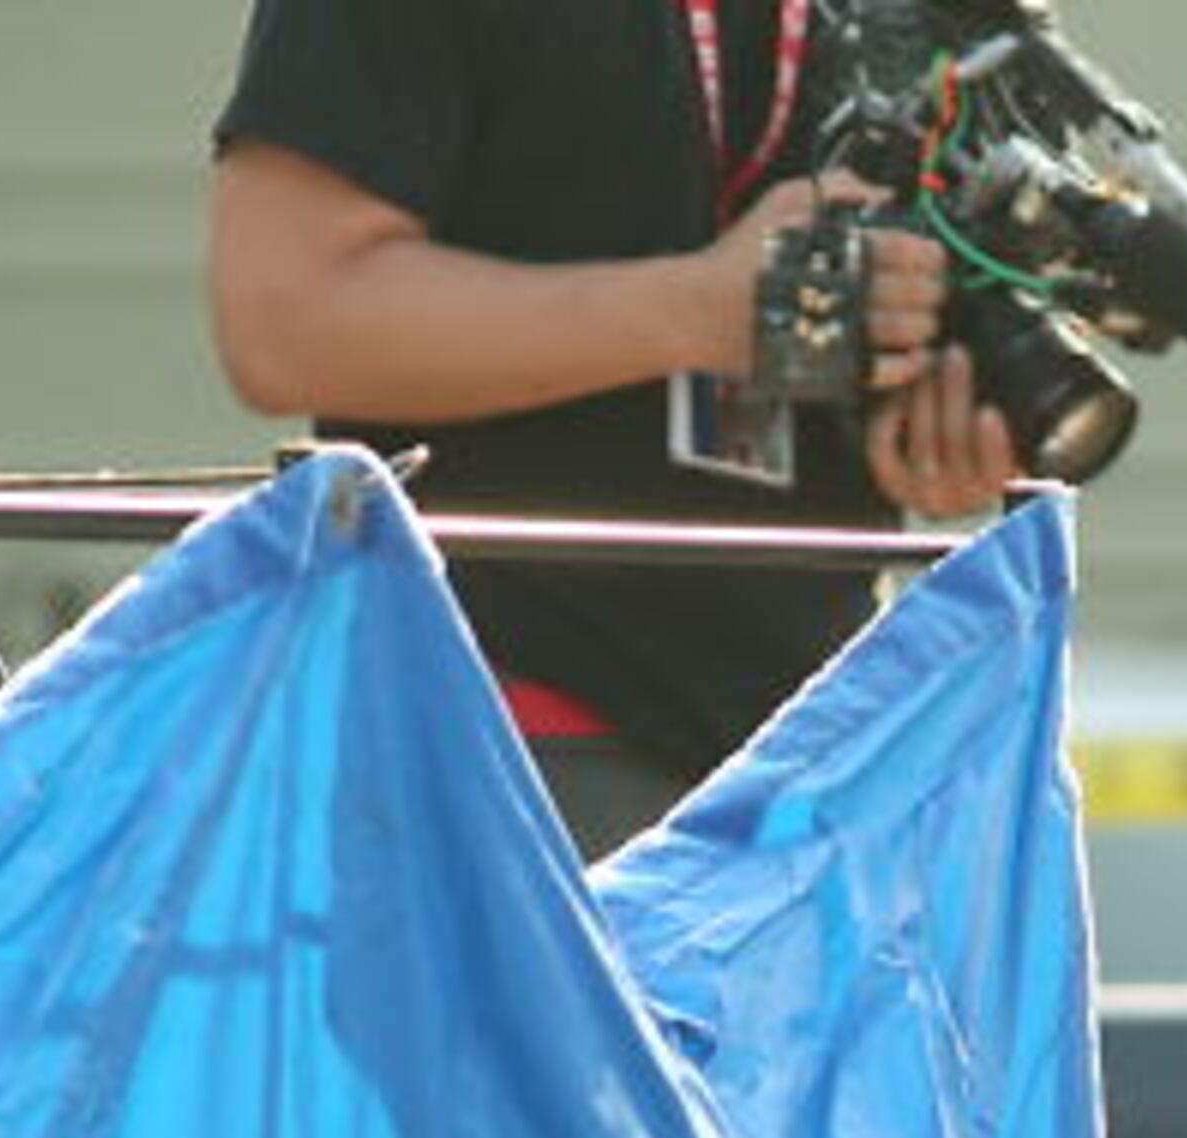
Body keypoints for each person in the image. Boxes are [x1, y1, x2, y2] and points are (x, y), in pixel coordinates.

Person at [207, 0, 1020, 857]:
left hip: (824, 747)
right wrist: (702, 308)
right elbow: (287, 320)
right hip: (502, 729)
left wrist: (929, 421)